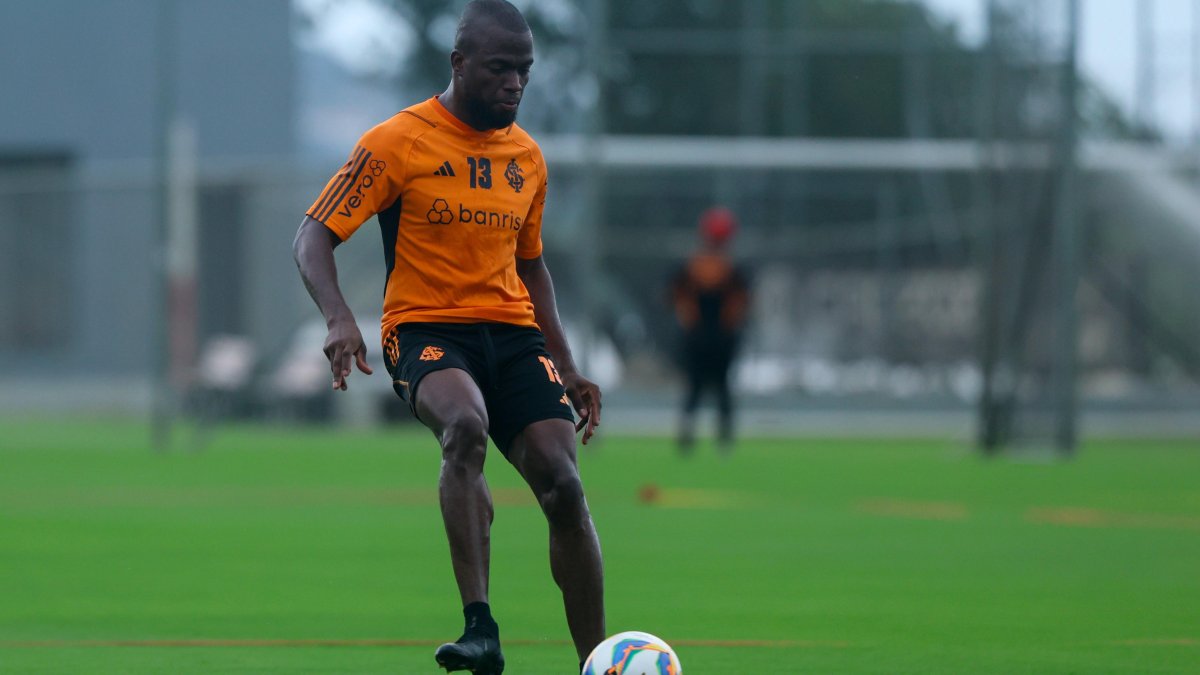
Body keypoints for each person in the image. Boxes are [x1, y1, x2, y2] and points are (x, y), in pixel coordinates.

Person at [292, 2, 604, 672]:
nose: (515, 84)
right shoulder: (396, 142)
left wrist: (568, 364)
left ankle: (598, 660)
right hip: (427, 329)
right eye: (500, 69)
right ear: (459, 63)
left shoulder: (527, 157)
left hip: (513, 335)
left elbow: (531, 266)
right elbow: (312, 234)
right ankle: (481, 629)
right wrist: (339, 316)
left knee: (566, 485)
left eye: (524, 71)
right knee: (464, 424)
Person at [670, 206, 751, 455]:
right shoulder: (727, 268)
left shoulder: (697, 266)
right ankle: (721, 439)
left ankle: (692, 437)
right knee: (719, 386)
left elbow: (677, 297)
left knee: (698, 386)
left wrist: (689, 319)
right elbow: (741, 303)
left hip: (702, 336)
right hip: (718, 337)